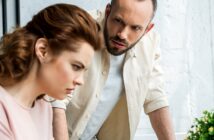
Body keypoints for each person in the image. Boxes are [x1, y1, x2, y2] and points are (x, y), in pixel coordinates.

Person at [52, 0, 176, 140]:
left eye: (135, 28)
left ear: (147, 29)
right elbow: (56, 100)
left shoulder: (150, 44)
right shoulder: (78, 30)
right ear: (107, 11)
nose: (122, 34)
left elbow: (156, 99)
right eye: (118, 21)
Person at [0, 3, 102, 140]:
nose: (80, 81)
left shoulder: (44, 108)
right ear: (43, 50)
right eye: (76, 66)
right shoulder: (3, 111)